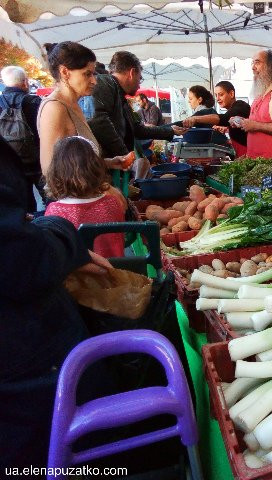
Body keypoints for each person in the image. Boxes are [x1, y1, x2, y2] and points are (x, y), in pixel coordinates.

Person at [0, 135, 113, 473]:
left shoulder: (56, 207)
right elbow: (21, 256)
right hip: (26, 362)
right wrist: (58, 234)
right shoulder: (111, 201)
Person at [37, 42, 131, 177]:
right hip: (77, 197)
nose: (94, 81)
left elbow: (75, 163)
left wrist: (108, 163)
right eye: (87, 74)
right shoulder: (54, 108)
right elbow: (51, 171)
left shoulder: (74, 104)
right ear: (64, 72)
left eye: (93, 74)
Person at [88, 51, 186, 179]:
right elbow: (99, 121)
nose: (139, 84)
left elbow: (138, 129)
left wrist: (169, 130)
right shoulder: (105, 83)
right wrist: (125, 156)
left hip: (112, 168)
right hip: (103, 170)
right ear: (132, 72)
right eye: (140, 78)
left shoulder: (120, 96)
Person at [45, 136, 126, 258]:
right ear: (97, 168)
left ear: (56, 171)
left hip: (78, 276)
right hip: (114, 272)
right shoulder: (113, 203)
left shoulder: (54, 212)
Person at [233, 49, 272, 171]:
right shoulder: (259, 94)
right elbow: (256, 123)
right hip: (256, 163)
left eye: (257, 62)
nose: (253, 67)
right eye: (252, 63)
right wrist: (242, 122)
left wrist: (255, 125)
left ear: (270, 66)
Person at [0, 65, 43, 211]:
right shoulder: (33, 101)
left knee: (24, 206)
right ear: (25, 82)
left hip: (11, 162)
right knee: (49, 198)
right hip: (37, 161)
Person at [182, 81, 251, 156]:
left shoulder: (240, 106)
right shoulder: (233, 109)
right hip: (242, 154)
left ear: (231, 94)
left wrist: (196, 118)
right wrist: (227, 129)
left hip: (249, 154)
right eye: (216, 95)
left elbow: (223, 118)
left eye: (221, 95)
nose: (217, 99)